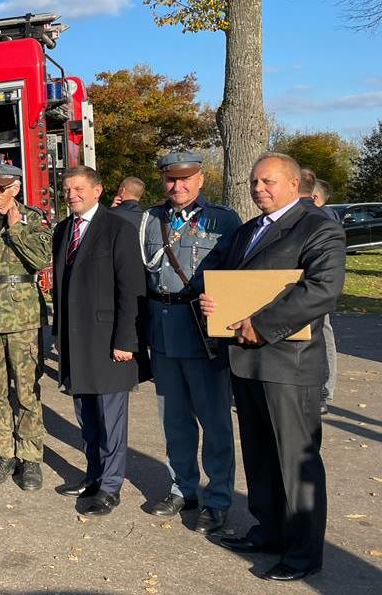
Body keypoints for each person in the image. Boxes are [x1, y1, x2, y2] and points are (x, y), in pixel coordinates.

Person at [199, 152, 346, 581]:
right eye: (254, 182)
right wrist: (215, 303)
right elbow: (234, 283)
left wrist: (261, 326)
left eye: (268, 182)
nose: (258, 189)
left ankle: (302, 553)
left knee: (296, 462)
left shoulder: (317, 226)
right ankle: (269, 531)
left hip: (289, 365)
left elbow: (322, 290)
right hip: (247, 362)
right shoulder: (249, 230)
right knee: (261, 455)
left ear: (294, 184)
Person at [139, 152, 241, 533]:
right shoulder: (151, 219)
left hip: (203, 333)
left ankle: (218, 499)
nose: (177, 186)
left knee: (214, 422)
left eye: (185, 179)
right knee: (174, 420)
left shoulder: (223, 220)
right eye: (170, 179)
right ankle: (182, 487)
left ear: (200, 179)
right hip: (163, 331)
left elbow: (237, 274)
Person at [51, 165, 146, 517]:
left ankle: (110, 486)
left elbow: (131, 288)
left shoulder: (118, 229)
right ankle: (93, 475)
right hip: (75, 341)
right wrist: (59, 335)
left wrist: (126, 340)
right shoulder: (64, 229)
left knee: (110, 420)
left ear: (98, 190)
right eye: (67, 189)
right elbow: (61, 287)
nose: (71, 195)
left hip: (108, 342)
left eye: (78, 188)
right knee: (87, 417)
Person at [0, 163, 50, 489]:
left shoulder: (33, 219)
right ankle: (4, 453)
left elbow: (41, 259)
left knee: (27, 392)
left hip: (22, 319)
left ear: (15, 189)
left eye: (0, 188)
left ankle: (30, 457)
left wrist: (16, 229)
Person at [311, 178, 339, 414]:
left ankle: (323, 390)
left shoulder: (323, 220)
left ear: (314, 198)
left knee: (322, 334)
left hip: (316, 291)